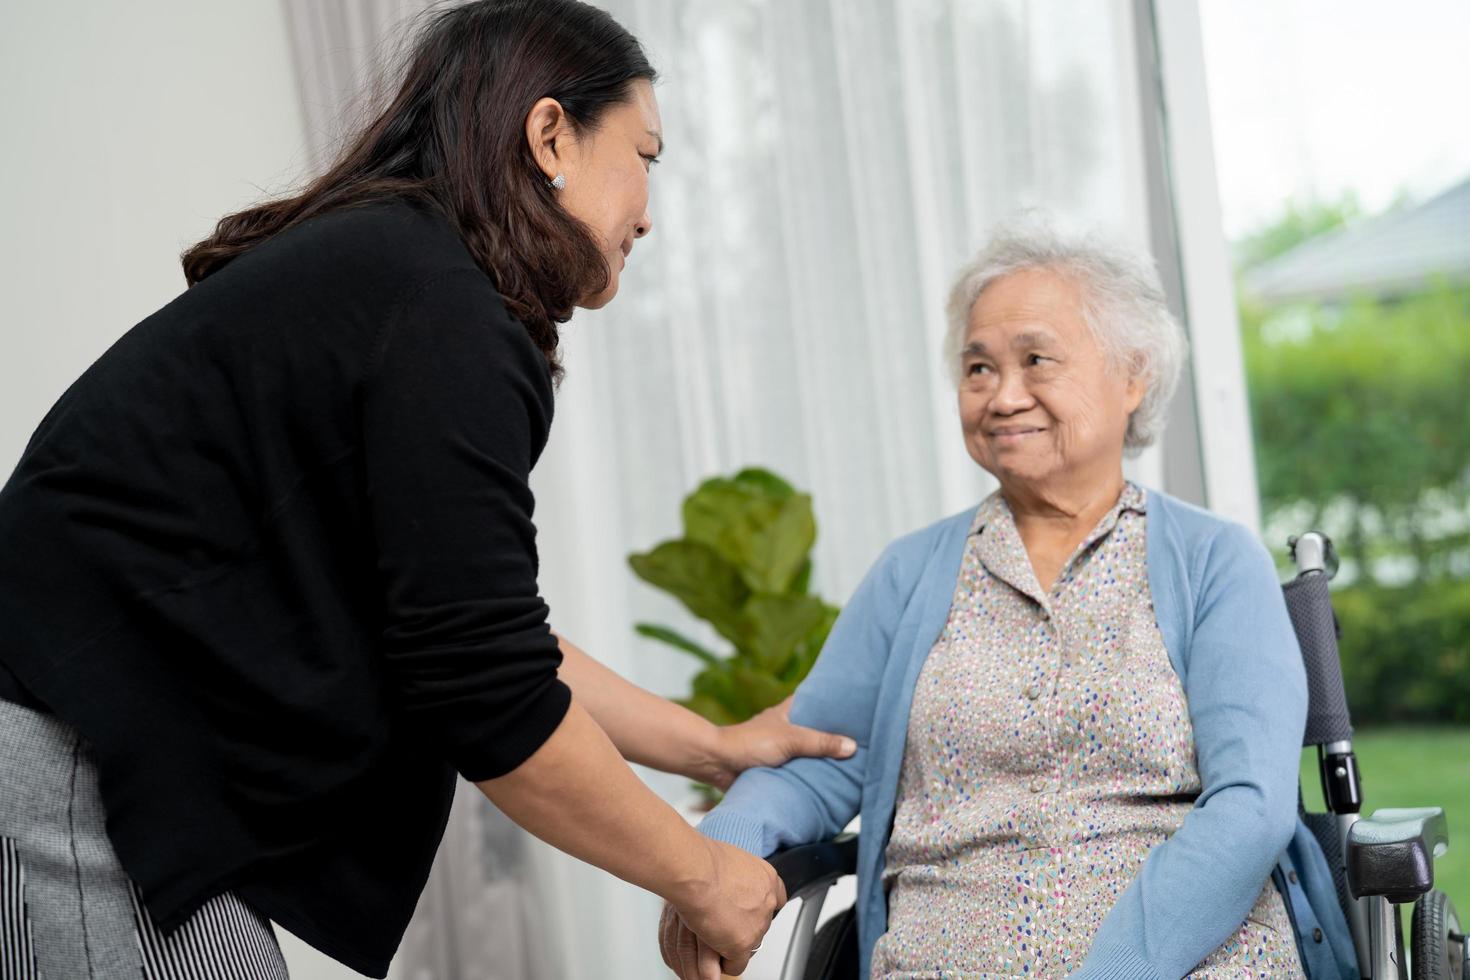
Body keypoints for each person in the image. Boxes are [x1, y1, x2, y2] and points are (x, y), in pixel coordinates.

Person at [0, 3, 853, 979]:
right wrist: (702, 872)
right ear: (549, 135)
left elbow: (470, 632)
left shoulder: (399, 276)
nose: (650, 210)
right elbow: (489, 690)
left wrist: (708, 744)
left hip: (93, 743)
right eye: (644, 156)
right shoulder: (442, 310)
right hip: (61, 741)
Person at [680, 220, 1324, 978]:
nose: (1003, 395)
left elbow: (1251, 809)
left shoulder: (1213, 562)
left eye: (1036, 360)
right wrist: (714, 855)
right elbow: (820, 757)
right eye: (978, 367)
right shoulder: (911, 574)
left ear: (1132, 376)